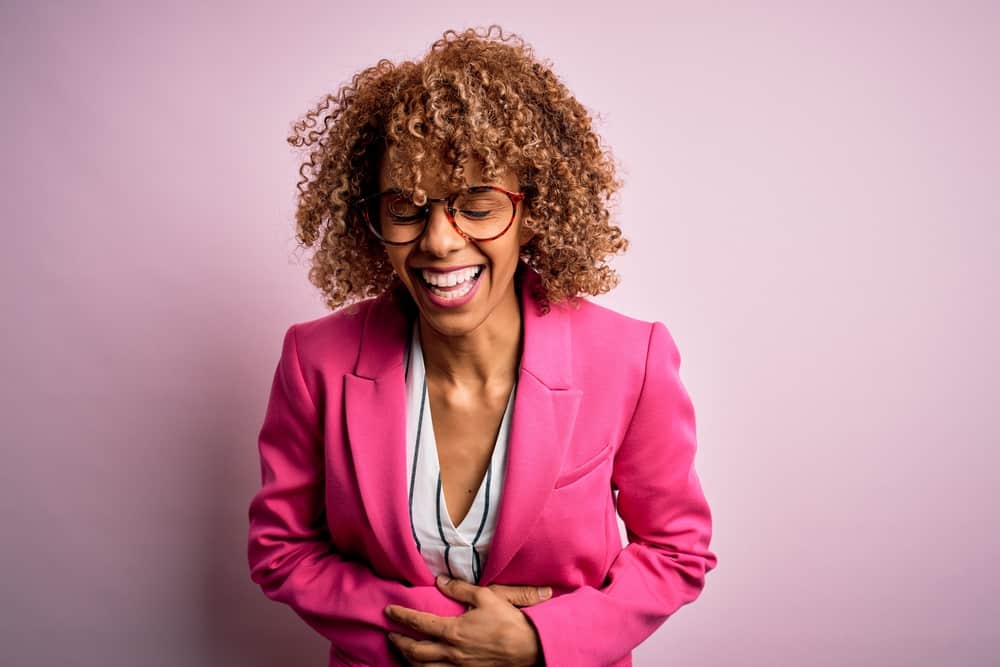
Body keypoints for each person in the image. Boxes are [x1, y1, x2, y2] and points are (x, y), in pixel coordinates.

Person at [246, 25, 718, 667]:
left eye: (477, 203)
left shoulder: (630, 360)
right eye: (406, 207)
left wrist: (539, 641)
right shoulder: (316, 362)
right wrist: (449, 636)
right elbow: (283, 549)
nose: (440, 241)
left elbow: (677, 552)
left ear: (534, 210)